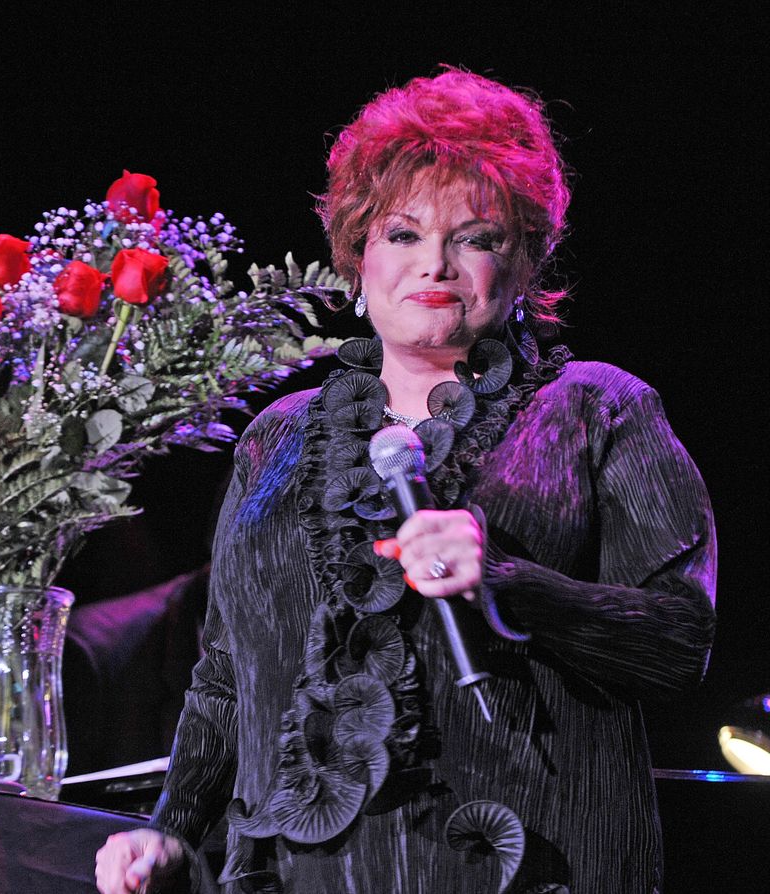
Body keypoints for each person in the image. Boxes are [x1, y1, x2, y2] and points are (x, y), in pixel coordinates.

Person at [95, 68, 716, 894]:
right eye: (401, 234)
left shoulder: (597, 408)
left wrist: (507, 583)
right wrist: (172, 827)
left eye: (477, 237)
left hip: (530, 857)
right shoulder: (275, 439)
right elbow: (224, 674)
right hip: (301, 868)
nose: (436, 264)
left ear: (525, 260)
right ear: (356, 257)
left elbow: (679, 642)